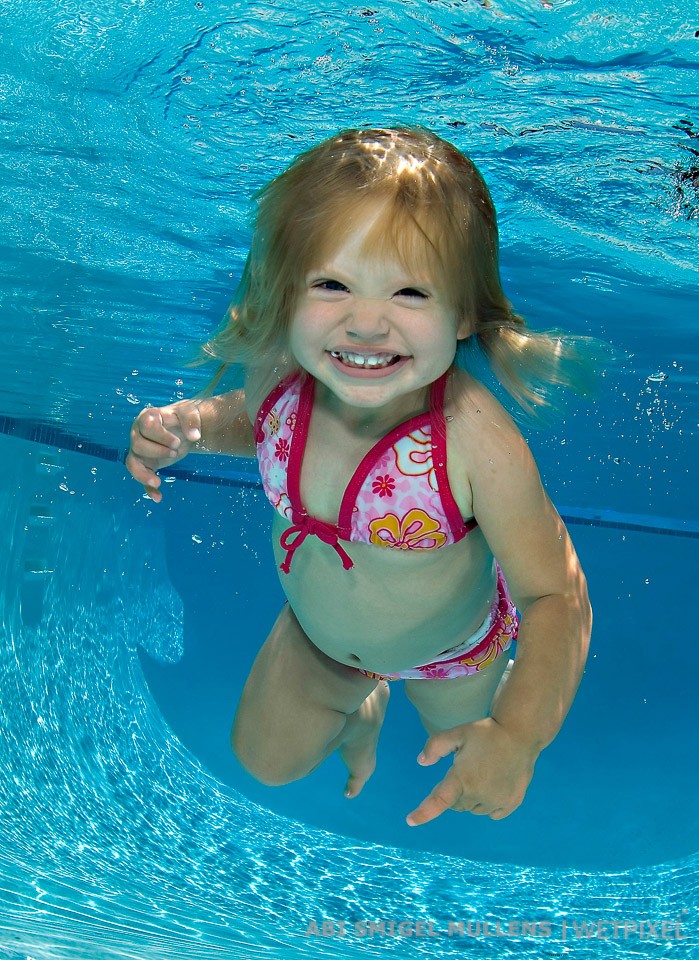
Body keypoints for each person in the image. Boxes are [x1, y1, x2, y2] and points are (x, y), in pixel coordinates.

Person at [126, 126, 595, 827]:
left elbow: (557, 592)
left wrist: (519, 737)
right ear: (288, 291)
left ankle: (403, 699)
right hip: (322, 638)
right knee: (262, 757)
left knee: (466, 764)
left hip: (455, 652)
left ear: (463, 311)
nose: (366, 324)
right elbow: (251, 420)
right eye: (332, 284)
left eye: (408, 292)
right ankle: (361, 705)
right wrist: (188, 426)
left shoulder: (471, 438)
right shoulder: (282, 376)